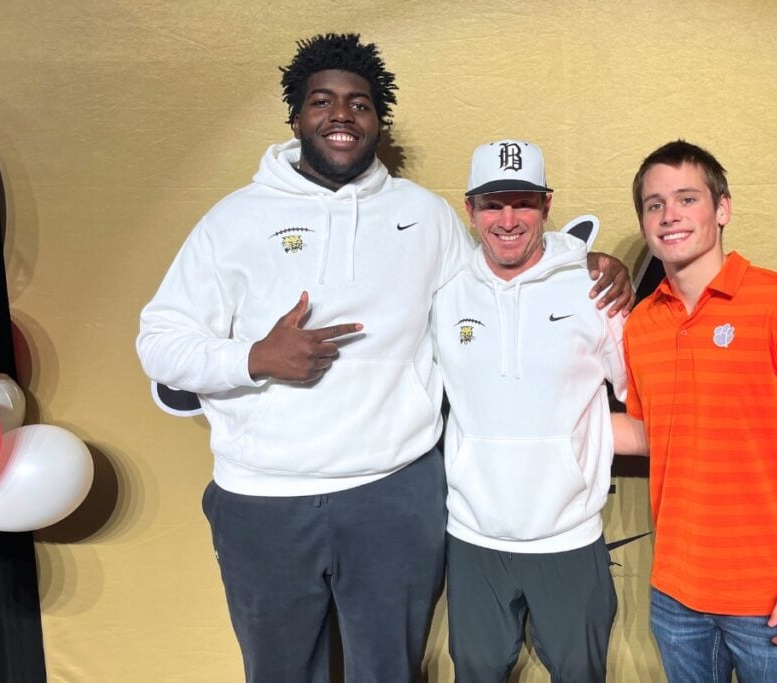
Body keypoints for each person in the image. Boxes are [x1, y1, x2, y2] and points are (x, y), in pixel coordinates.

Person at [136, 34, 632, 683]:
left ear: (378, 119)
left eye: (360, 104)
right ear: (296, 117)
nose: (342, 116)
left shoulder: (423, 217)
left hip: (393, 496)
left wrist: (586, 259)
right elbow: (160, 339)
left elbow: (506, 258)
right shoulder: (234, 220)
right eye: (323, 101)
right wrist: (254, 356)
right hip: (264, 501)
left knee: (390, 673)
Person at [613, 140, 777, 682]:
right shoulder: (641, 325)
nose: (670, 215)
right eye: (654, 205)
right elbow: (650, 431)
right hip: (675, 594)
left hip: (771, 598)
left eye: (686, 199)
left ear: (722, 209)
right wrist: (527, 421)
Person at [433, 139, 626, 682]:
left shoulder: (595, 289)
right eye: (493, 204)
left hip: (569, 536)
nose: (508, 219)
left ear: (546, 205)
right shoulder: (444, 292)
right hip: (473, 537)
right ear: (469, 211)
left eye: (523, 202)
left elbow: (647, 396)